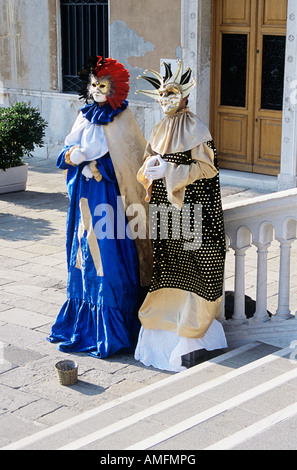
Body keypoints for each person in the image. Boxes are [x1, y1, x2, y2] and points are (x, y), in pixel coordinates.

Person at [47, 56, 152, 358]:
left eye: (102, 85)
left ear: (114, 88)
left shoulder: (122, 118)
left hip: (109, 200)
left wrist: (99, 169)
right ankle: (83, 324)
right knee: (82, 255)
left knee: (107, 257)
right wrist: (75, 157)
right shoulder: (83, 115)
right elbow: (64, 153)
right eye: (93, 84)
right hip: (84, 197)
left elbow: (131, 163)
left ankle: (112, 327)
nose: (95, 90)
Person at [134, 61, 227, 372]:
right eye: (161, 94)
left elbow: (208, 170)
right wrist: (149, 169)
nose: (165, 99)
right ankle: (164, 324)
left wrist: (171, 170)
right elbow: (149, 160)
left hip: (191, 212)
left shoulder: (197, 129)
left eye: (171, 93)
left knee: (192, 266)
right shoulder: (159, 129)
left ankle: (190, 332)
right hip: (164, 212)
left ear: (185, 95)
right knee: (168, 265)